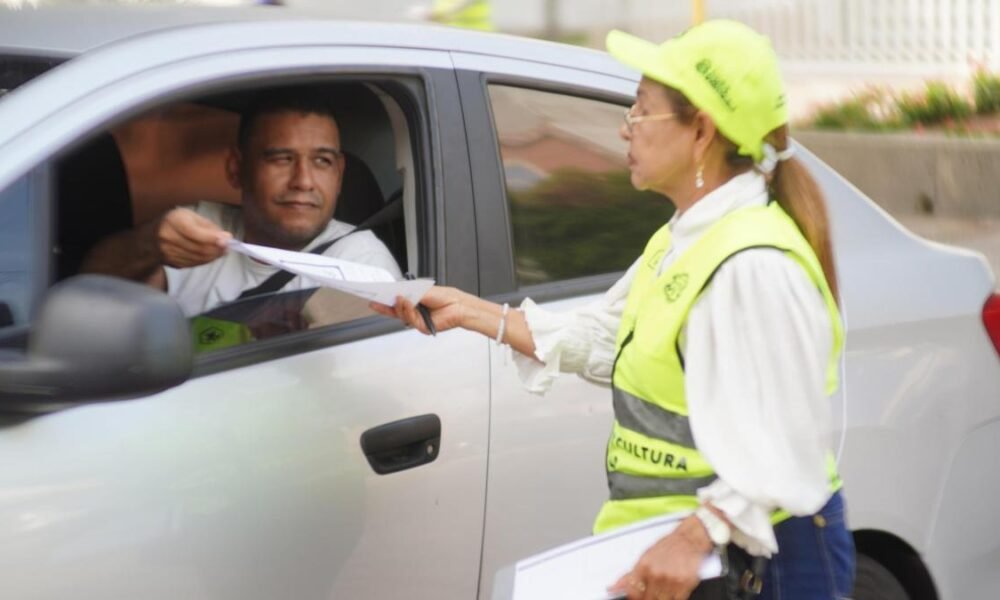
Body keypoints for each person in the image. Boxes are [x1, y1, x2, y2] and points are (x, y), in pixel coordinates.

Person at [374, 20, 855, 600]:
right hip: (684, 553)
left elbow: (789, 440)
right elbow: (613, 339)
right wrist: (475, 312)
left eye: (641, 110)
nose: (625, 127)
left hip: (759, 562)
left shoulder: (754, 264)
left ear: (701, 131)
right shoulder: (683, 237)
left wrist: (699, 533)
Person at [83, 90, 402, 317]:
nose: (303, 181)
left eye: (322, 161)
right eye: (281, 158)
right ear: (236, 169)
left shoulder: (361, 264)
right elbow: (92, 289)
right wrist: (149, 244)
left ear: (339, 174)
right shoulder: (203, 227)